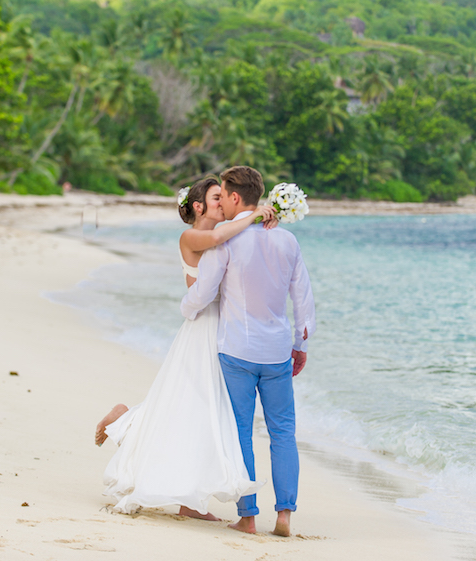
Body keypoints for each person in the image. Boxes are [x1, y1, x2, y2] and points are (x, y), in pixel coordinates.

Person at [95, 176, 277, 521]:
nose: (223, 202)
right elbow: (217, 238)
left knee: (195, 409)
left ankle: (188, 499)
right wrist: (252, 214)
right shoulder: (192, 236)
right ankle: (125, 421)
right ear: (199, 206)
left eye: (224, 197)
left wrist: (266, 226)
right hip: (203, 327)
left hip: (222, 327)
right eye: (216, 197)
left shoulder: (228, 234)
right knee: (196, 406)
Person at [180, 166, 316, 537]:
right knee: (283, 432)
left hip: (236, 351)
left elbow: (205, 291)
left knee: (240, 432)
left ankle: (249, 516)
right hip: (276, 352)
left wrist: (186, 309)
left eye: (223, 194)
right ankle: (285, 514)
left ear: (236, 197)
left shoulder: (226, 242)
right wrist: (300, 345)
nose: (221, 201)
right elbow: (303, 299)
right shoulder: (288, 241)